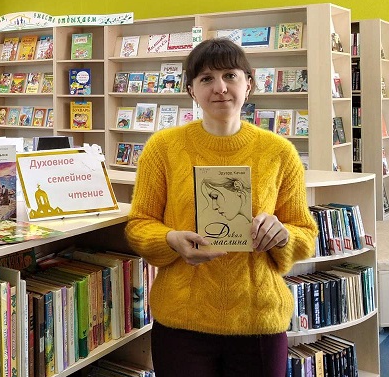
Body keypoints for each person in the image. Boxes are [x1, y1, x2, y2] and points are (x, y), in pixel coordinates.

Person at [125, 38, 318, 377]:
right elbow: (139, 224)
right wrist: (170, 240)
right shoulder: (163, 149)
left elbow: (305, 233)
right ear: (191, 90)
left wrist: (283, 235)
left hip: (258, 319)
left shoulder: (279, 152)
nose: (220, 88)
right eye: (206, 79)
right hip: (182, 322)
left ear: (249, 83)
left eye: (230, 75)